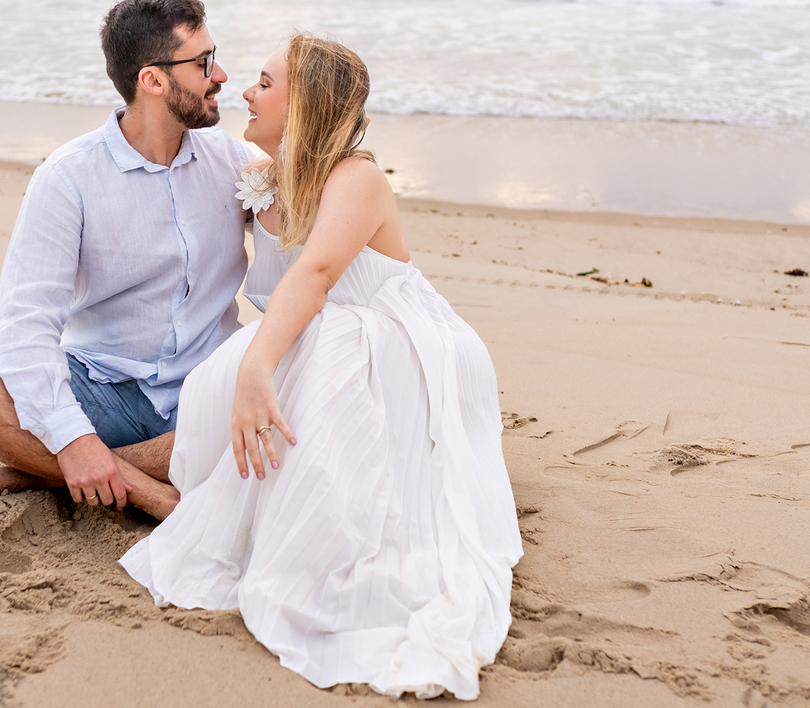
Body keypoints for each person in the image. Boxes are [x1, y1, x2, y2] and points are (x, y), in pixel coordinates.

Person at [120, 34, 523, 699]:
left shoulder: (356, 178)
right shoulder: (263, 179)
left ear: (303, 105)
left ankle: (106, 470)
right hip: (319, 334)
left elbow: (316, 275)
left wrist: (257, 367)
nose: (246, 92)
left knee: (315, 341)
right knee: (282, 356)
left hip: (403, 343)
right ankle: (99, 465)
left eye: (264, 82)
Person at [0, 0, 255, 521]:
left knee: (301, 388)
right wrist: (74, 435)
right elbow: (26, 323)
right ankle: (150, 492)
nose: (220, 75)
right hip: (102, 391)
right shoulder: (68, 177)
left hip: (205, 393)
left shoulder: (236, 162)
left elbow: (302, 252)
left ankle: (44, 473)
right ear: (152, 80)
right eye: (203, 62)